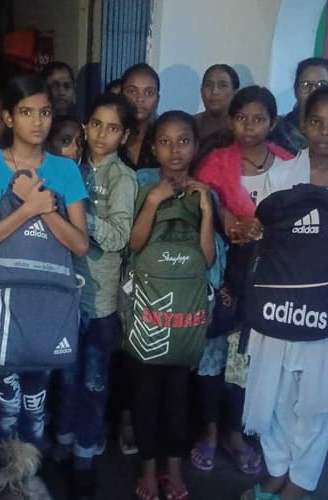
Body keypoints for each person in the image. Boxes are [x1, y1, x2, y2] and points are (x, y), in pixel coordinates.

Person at [241, 85, 328, 500]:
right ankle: (276, 470)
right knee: (275, 393)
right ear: (303, 124)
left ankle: (300, 482)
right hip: (280, 302)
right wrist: (254, 230)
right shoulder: (280, 176)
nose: (325, 132)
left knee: (318, 401)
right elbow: (264, 235)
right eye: (316, 122)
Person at [0, 74, 89, 452]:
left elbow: (80, 245)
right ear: (8, 118)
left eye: (45, 112)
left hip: (48, 296)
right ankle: (6, 471)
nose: (37, 121)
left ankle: (31, 470)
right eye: (26, 112)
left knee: (36, 397)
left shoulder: (65, 170)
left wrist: (45, 209)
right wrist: (28, 208)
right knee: (5, 394)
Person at [192, 86, 292, 475]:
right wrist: (226, 217)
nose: (249, 127)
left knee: (244, 364)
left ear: (273, 122)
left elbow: (299, 218)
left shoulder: (289, 165)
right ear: (231, 121)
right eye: (241, 118)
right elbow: (198, 203)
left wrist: (263, 228)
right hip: (221, 275)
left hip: (267, 280)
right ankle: (209, 430)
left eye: (259, 119)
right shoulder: (215, 162)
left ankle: (235, 433)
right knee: (211, 358)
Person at [127, 111, 216, 500]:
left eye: (183, 141)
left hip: (186, 315)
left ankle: (174, 469)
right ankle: (149, 468)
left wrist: (207, 209)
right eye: (165, 141)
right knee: (146, 394)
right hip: (148, 310)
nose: (175, 150)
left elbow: (208, 258)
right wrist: (153, 201)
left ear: (195, 146)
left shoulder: (203, 192)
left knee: (179, 396)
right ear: (153, 146)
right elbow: (134, 245)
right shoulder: (143, 184)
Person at [53, 93, 138, 498]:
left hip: (100, 303)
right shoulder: (70, 166)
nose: (103, 134)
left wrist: (76, 216)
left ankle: (85, 455)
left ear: (125, 136)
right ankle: (65, 441)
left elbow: (119, 237)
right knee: (65, 378)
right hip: (63, 295)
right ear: (86, 127)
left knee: (92, 383)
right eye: (97, 124)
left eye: (113, 128)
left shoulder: (122, 177)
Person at [194, 64, 240, 157]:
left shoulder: (242, 128)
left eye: (223, 85)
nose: (214, 91)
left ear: (235, 93)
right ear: (201, 91)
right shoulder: (189, 125)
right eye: (209, 85)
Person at [121, 64, 160, 170]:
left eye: (149, 93)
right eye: (132, 91)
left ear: (157, 100)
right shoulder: (109, 133)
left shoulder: (163, 138)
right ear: (121, 94)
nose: (140, 99)